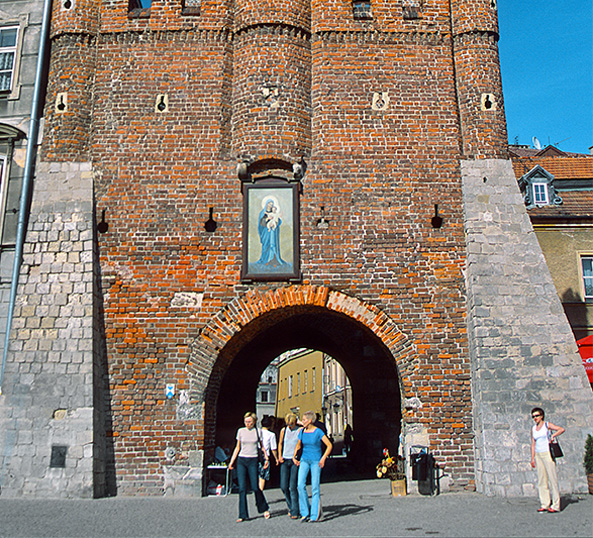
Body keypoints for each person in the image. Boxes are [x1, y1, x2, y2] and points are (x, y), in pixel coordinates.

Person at [228, 412, 271, 522]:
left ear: (254, 422)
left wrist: (266, 457)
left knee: (255, 486)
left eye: (250, 422)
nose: (247, 424)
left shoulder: (258, 431)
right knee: (242, 488)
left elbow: (262, 446)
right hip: (242, 460)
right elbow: (237, 447)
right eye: (246, 421)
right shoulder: (241, 431)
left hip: (253, 460)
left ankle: (264, 508)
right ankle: (242, 514)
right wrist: (231, 462)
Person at [293, 410, 333, 523]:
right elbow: (298, 445)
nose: (302, 421)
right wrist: (294, 457)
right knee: (300, 484)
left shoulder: (318, 432)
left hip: (316, 461)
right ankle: (305, 512)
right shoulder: (302, 431)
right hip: (304, 460)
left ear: (310, 420)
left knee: (315, 487)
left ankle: (315, 515)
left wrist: (323, 458)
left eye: (304, 420)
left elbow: (329, 445)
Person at [530, 407, 565, 513]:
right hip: (538, 454)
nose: (535, 418)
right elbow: (533, 443)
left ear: (541, 416)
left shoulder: (547, 425)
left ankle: (556, 505)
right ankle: (545, 503)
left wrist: (553, 435)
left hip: (547, 453)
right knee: (542, 480)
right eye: (533, 416)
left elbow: (561, 429)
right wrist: (532, 458)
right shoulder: (533, 429)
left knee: (552, 478)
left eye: (537, 416)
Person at [278, 413, 301, 519]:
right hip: (285, 459)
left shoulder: (299, 430)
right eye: (288, 424)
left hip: (294, 460)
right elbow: (280, 443)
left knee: (293, 486)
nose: (289, 426)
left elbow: (300, 444)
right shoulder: (284, 430)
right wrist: (279, 455)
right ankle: (291, 506)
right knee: (283, 486)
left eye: (291, 424)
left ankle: (295, 511)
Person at [256, 198, 285, 267]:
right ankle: (265, 260)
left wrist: (276, 221)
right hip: (266, 232)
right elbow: (261, 223)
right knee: (266, 245)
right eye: (269, 204)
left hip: (273, 232)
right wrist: (267, 219)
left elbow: (279, 221)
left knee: (273, 245)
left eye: (272, 204)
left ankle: (274, 260)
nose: (271, 205)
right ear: (266, 204)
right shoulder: (263, 213)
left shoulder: (274, 212)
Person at [259, 416, 279, 491]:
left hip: (256, 455)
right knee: (263, 475)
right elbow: (273, 448)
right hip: (265, 456)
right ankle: (260, 491)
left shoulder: (257, 432)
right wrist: (276, 458)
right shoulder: (271, 434)